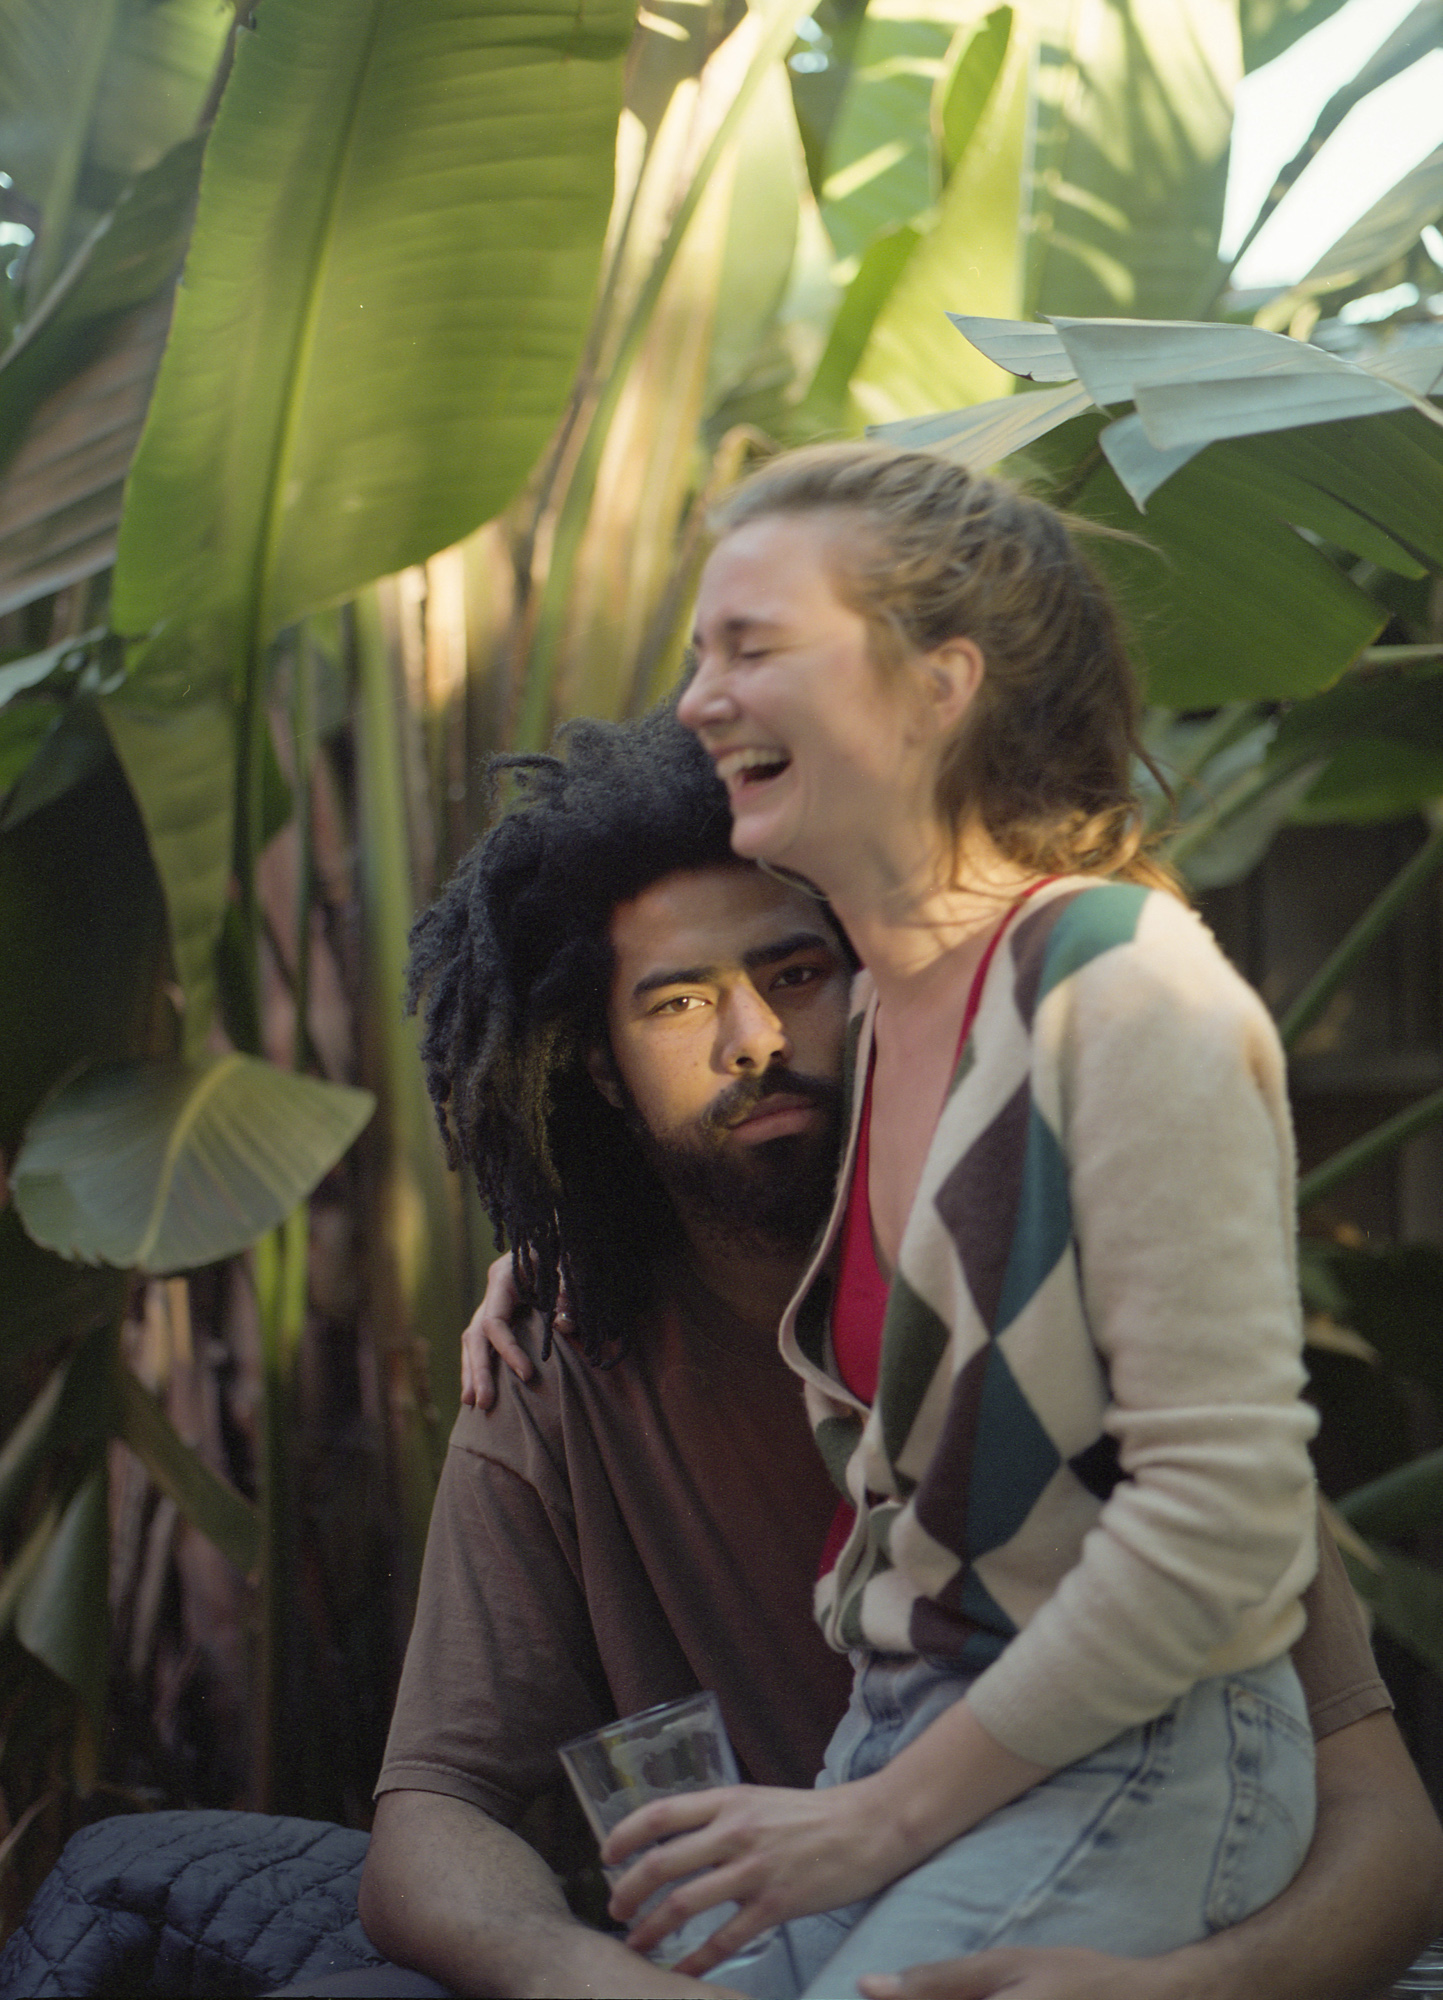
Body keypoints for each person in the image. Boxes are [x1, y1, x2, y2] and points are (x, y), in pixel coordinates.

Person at [359, 705, 1443, 2000]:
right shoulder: (555, 1358)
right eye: (681, 1001)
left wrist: (1177, 1994)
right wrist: (579, 1978)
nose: (753, 1039)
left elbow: (1386, 1824)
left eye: (796, 976)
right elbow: (429, 1824)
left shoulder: (1074, 1271)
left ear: (875, 981)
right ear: (602, 1067)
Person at [590, 441, 1371, 1991]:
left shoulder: (1123, 987)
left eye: (751, 647)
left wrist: (877, 1827)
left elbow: (1226, 1517)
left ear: (939, 686)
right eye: (698, 655)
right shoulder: (884, 1013)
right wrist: (535, 1265)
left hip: (1135, 1750)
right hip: (905, 1736)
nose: (696, 701)